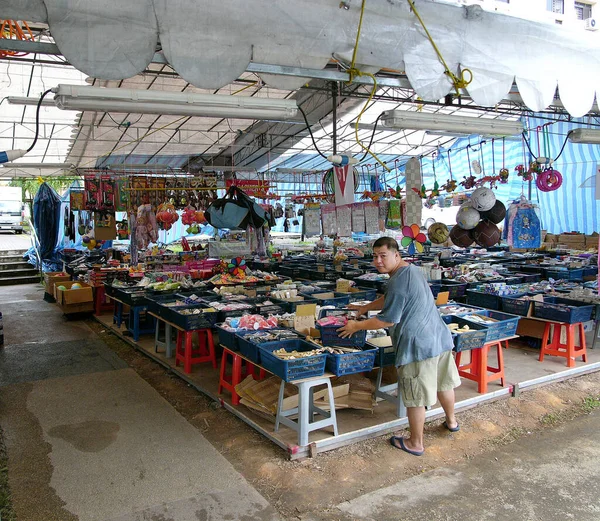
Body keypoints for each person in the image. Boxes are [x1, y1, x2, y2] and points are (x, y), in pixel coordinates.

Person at [337, 236, 461, 456]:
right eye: (375, 256)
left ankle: (416, 443)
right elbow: (390, 298)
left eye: (383, 256)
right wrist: (365, 307)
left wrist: (356, 326)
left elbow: (387, 321)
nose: (378, 261)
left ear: (397, 255)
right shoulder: (410, 271)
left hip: (418, 345)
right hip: (438, 338)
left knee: (415, 397)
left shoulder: (397, 279)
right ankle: (451, 422)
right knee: (443, 383)